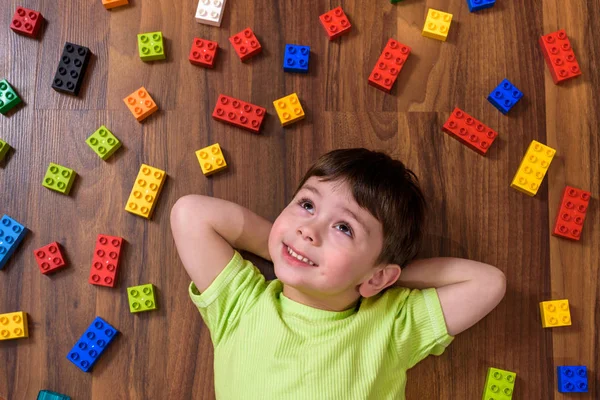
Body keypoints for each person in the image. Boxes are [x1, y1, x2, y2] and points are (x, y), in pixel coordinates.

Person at [170, 148, 506, 400]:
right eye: (307, 205)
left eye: (343, 227)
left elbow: (487, 283)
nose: (309, 230)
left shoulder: (390, 325)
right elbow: (191, 213)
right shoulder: (240, 305)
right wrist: (283, 246)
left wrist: (374, 277)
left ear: (378, 278)